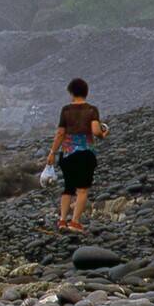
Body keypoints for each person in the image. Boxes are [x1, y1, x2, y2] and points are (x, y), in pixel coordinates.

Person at [46, 77, 108, 233]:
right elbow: (95, 131)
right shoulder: (91, 110)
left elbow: (60, 133)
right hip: (85, 154)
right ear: (86, 92)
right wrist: (103, 134)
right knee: (82, 190)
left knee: (68, 188)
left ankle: (61, 221)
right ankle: (75, 222)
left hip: (67, 154)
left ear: (72, 93)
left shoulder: (66, 110)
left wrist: (52, 152)